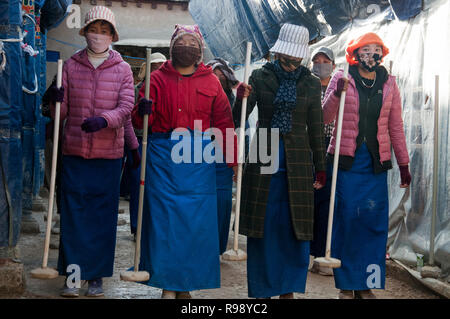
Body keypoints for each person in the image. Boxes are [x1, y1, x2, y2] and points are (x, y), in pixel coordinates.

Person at [131, 24, 238, 299]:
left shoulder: (211, 82)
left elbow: (224, 122)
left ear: (200, 49)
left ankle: (184, 285)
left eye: (192, 42)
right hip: (162, 157)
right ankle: (168, 284)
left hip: (198, 159)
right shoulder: (156, 79)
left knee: (193, 225)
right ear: (173, 46)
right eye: (182, 41)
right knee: (164, 223)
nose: (187, 46)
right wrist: (142, 111)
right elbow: (138, 121)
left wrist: (231, 158)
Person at [47, 6, 139, 298]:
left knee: (101, 218)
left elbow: (126, 108)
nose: (98, 35)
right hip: (74, 154)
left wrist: (104, 120)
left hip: (108, 158)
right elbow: (60, 116)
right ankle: (74, 276)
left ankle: (95, 277)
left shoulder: (123, 69)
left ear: (112, 35)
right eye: (93, 29)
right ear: (84, 32)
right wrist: (55, 101)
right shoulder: (70, 67)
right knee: (74, 216)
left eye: (104, 31)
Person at [235, 23, 327, 299]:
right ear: (277, 54)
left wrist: (320, 166)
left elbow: (316, 125)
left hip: (298, 156)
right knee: (263, 226)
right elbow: (236, 120)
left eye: (297, 59)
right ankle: (263, 290)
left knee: (294, 226)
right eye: (287, 59)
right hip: (264, 145)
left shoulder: (311, 83)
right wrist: (239, 99)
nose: (292, 64)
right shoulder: (260, 77)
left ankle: (288, 289)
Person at [322, 32, 411, 299]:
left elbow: (395, 125)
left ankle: (366, 283)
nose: (371, 54)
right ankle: (346, 285)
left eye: (376, 50)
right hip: (347, 162)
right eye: (365, 49)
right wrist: (337, 95)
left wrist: (403, 163)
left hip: (375, 164)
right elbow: (324, 115)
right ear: (355, 52)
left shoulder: (389, 84)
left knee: (372, 223)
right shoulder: (342, 77)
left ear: (382, 54)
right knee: (347, 220)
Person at [122, 52, 167, 241]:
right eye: (154, 66)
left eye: (161, 66)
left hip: (159, 143)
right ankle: (136, 227)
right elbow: (128, 118)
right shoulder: (136, 90)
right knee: (137, 185)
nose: (157, 69)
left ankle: (155, 226)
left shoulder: (167, 90)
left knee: (157, 186)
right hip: (138, 142)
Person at [206, 58, 240, 256]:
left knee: (222, 199)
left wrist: (234, 161)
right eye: (214, 75)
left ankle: (217, 247)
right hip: (198, 146)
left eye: (222, 76)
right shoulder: (199, 94)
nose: (218, 79)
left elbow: (233, 125)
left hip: (222, 149)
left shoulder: (232, 99)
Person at [309, 47, 336, 276]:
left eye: (325, 60)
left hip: (330, 148)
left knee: (325, 203)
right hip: (308, 146)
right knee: (307, 201)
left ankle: (320, 254)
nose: (320, 64)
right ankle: (305, 254)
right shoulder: (306, 86)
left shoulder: (340, 88)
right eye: (316, 60)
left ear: (333, 65)